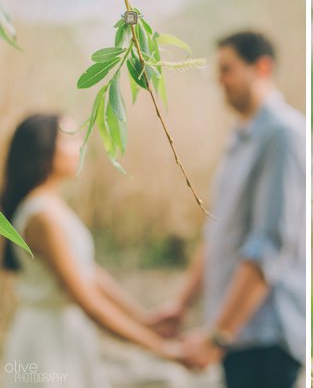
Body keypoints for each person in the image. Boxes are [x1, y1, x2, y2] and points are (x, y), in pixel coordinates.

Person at [147, 31, 307, 387]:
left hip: (267, 340)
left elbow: (269, 246)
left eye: (227, 69)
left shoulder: (283, 135)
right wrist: (182, 304)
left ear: (261, 68)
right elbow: (219, 232)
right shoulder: (240, 139)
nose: (218, 80)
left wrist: (218, 336)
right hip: (238, 337)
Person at [0, 114, 184, 388]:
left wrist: (143, 320)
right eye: (70, 138)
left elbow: (90, 273)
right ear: (44, 147)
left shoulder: (52, 206)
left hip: (64, 333)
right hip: (48, 341)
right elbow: (86, 298)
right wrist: (163, 349)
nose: (81, 145)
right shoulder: (42, 217)